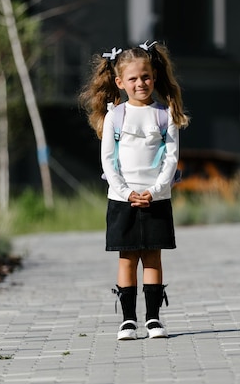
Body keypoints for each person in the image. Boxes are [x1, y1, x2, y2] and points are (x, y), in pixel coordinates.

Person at [79, 41, 189, 340]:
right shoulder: (116, 116)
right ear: (119, 82)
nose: (140, 83)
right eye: (133, 79)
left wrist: (155, 189)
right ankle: (128, 320)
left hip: (156, 198)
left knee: (153, 257)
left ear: (154, 76)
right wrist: (126, 192)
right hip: (122, 199)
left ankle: (153, 319)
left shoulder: (165, 115)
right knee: (127, 258)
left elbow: (171, 157)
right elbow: (108, 160)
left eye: (146, 77)